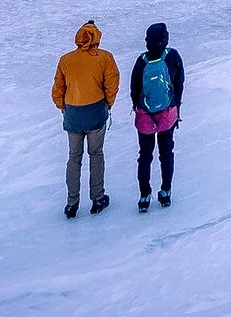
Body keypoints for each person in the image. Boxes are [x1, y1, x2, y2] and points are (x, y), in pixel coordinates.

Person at [52, 20, 119, 218]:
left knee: (74, 157)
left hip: (73, 114)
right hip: (96, 111)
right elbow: (112, 84)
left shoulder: (66, 60)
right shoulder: (105, 58)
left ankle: (72, 203)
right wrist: (107, 104)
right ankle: (97, 198)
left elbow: (58, 88)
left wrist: (63, 107)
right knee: (96, 154)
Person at [132, 21, 184, 211]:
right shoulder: (173, 56)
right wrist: (176, 107)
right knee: (166, 153)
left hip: (145, 115)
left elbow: (134, 88)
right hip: (167, 113)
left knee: (145, 156)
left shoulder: (142, 61)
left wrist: (140, 106)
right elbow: (179, 84)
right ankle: (165, 192)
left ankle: (144, 196)